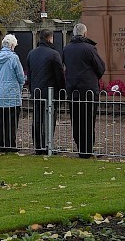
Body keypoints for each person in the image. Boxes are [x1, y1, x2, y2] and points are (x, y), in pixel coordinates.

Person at [62, 22, 105, 159]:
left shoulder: (66, 49)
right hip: (88, 88)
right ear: (85, 33)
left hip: (73, 88)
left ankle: (80, 146)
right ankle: (87, 148)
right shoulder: (89, 48)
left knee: (76, 118)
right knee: (88, 118)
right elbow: (100, 67)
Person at [26, 29, 64, 154]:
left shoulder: (31, 54)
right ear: (49, 38)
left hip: (36, 91)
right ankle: (48, 145)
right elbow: (59, 75)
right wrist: (61, 92)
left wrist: (32, 89)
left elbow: (30, 75)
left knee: (37, 120)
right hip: (49, 92)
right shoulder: (54, 54)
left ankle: (38, 146)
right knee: (49, 119)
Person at [0, 34, 25, 153]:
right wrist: (21, 83)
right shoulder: (13, 57)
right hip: (12, 93)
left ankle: (1, 143)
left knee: (0, 120)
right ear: (12, 45)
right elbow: (20, 75)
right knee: (12, 120)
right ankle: (10, 143)